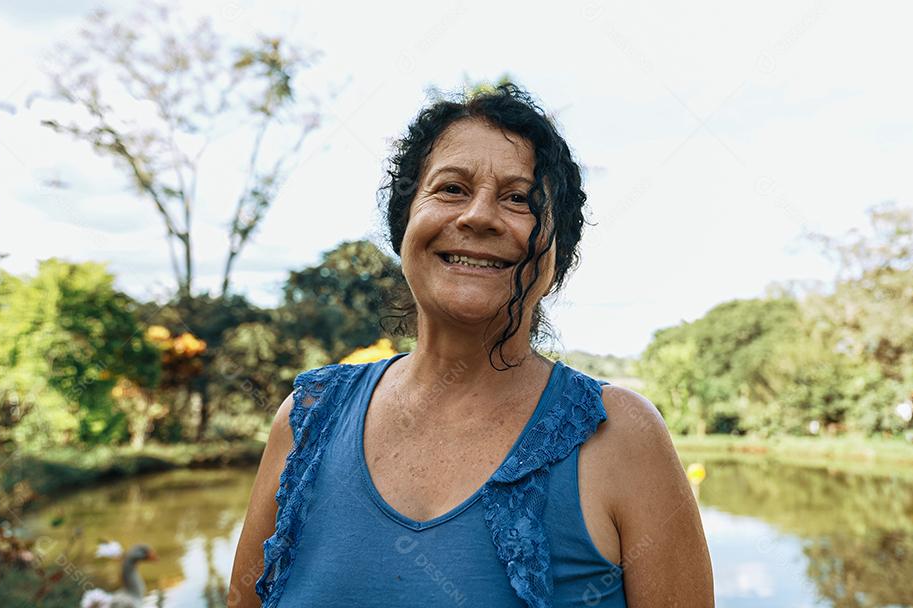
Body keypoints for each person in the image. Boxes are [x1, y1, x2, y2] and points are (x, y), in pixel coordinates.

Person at [227, 83, 714, 608]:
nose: (479, 216)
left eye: (519, 199)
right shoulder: (307, 421)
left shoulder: (622, 437)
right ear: (405, 223)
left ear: (559, 252)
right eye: (452, 189)